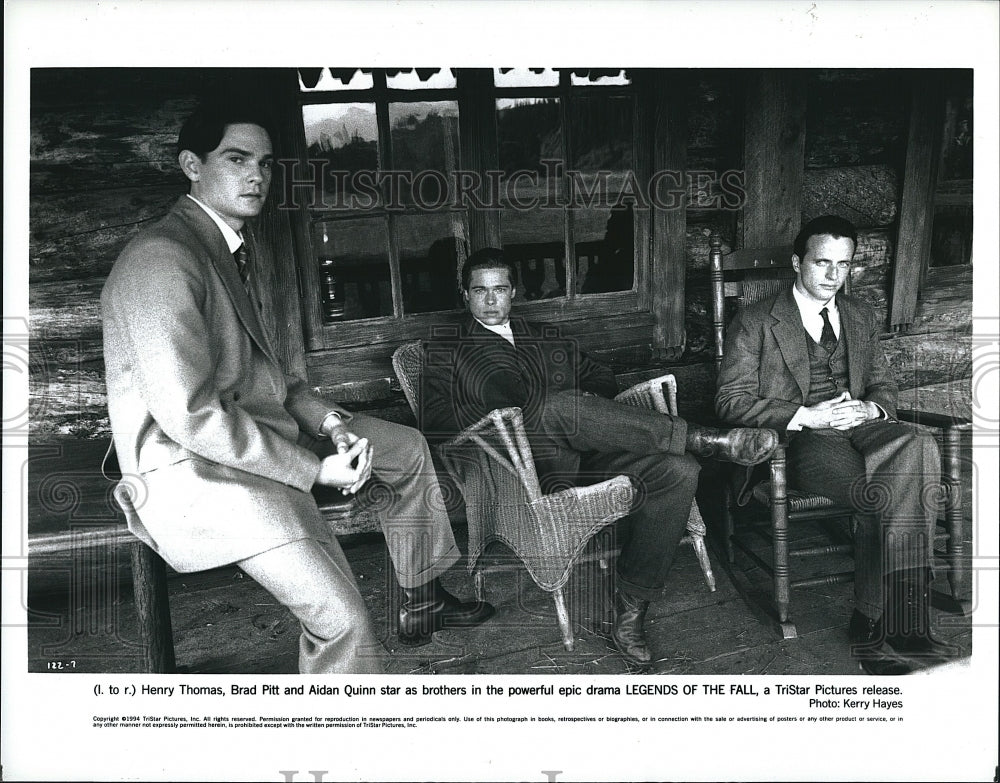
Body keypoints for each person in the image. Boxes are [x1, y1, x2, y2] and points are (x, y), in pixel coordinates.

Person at [101, 102, 492, 674]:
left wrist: (331, 423)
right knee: (344, 622)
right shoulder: (162, 261)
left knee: (405, 449)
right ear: (191, 164)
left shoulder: (219, 248)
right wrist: (315, 470)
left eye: (264, 162)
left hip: (254, 433)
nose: (256, 175)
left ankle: (422, 597)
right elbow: (191, 417)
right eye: (236, 160)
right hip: (198, 469)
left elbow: (273, 379)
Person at [419, 248, 778, 666]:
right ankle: (704, 437)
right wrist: (523, 413)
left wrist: (588, 411)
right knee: (556, 407)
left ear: (513, 292)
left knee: (678, 470)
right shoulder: (446, 351)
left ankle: (632, 606)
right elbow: (437, 422)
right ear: (465, 296)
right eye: (480, 291)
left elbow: (600, 376)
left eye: (500, 289)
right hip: (518, 470)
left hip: (587, 453)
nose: (492, 300)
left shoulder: (543, 336)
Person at [715, 215, 958, 675]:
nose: (832, 276)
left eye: (843, 265)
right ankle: (884, 624)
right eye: (822, 262)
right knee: (886, 492)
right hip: (801, 439)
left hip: (860, 425)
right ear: (796, 262)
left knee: (917, 442)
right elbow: (730, 401)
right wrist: (807, 415)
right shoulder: (755, 321)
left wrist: (871, 410)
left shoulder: (861, 315)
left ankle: (894, 627)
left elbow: (884, 384)